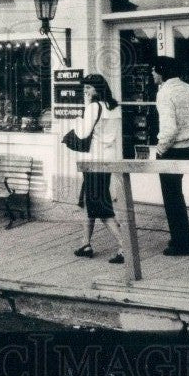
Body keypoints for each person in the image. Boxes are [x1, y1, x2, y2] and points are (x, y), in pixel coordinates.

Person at [71, 74, 127, 264]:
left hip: (93, 159)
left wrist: (78, 119)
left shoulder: (94, 107)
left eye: (88, 88)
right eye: (84, 88)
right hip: (107, 158)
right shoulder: (115, 107)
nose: (85, 91)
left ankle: (124, 246)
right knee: (90, 201)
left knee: (100, 206)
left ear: (97, 88)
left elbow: (83, 133)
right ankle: (85, 243)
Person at [151, 56, 189, 256]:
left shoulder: (165, 93)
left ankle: (182, 244)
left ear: (162, 71)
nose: (152, 73)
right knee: (177, 196)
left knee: (172, 198)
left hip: (172, 151)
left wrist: (160, 150)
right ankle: (180, 237)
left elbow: (169, 129)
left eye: (154, 70)